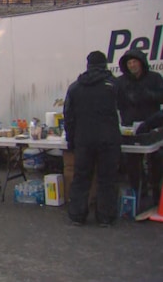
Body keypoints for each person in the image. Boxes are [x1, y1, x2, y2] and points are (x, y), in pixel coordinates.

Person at [64, 51, 121, 227]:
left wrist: (71, 140)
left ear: (88, 65)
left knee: (81, 177)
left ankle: (77, 215)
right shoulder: (113, 84)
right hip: (108, 139)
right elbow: (124, 108)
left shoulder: (75, 87)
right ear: (105, 64)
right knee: (106, 178)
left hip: (83, 140)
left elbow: (68, 116)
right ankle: (105, 217)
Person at [117, 49, 163, 206]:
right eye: (129, 63)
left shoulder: (155, 78)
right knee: (132, 161)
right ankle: (138, 192)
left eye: (134, 62)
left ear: (142, 63)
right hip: (130, 128)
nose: (132, 65)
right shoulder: (121, 81)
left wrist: (148, 94)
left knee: (156, 159)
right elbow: (117, 102)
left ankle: (156, 191)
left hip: (152, 125)